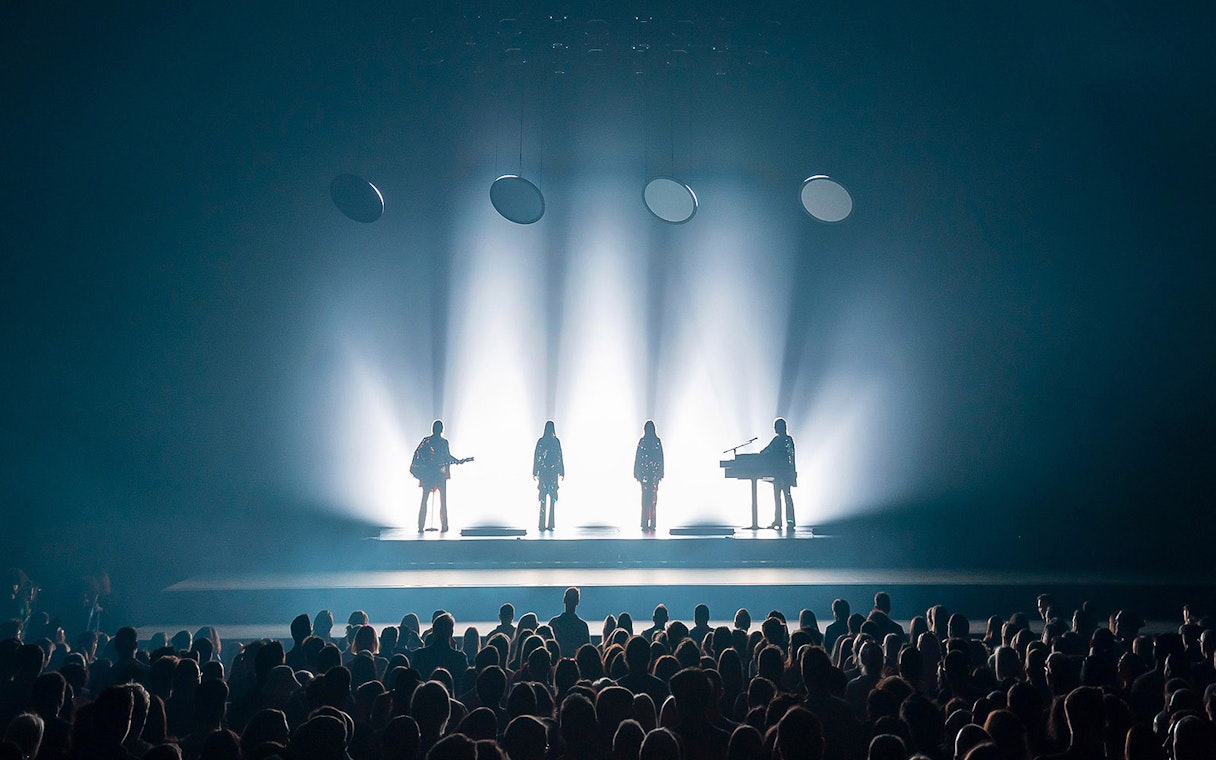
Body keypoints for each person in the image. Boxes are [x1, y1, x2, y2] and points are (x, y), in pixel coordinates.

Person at [411, 420, 467, 533]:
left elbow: (445, 457)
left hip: (429, 474)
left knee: (426, 500)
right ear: (441, 429)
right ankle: (443, 526)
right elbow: (447, 457)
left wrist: (457, 461)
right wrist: (457, 461)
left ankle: (421, 526)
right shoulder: (440, 442)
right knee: (441, 500)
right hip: (438, 474)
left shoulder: (427, 441)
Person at [760, 417, 796, 529]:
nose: (775, 429)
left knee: (786, 497)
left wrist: (792, 471)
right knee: (778, 497)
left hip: (784, 473)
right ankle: (778, 521)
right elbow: (766, 450)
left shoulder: (787, 440)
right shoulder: (776, 440)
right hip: (777, 473)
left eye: (776, 427)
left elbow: (791, 456)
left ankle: (790, 521)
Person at [532, 420, 565, 532]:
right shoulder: (555, 441)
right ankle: (550, 524)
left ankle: (542, 524)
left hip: (544, 472)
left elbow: (537, 457)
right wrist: (561, 471)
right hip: (552, 472)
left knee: (543, 497)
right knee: (551, 497)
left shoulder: (542, 441)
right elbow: (559, 456)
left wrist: (535, 471)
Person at [633, 420, 664, 532]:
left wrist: (637, 471)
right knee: (649, 499)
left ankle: (648, 523)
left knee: (650, 499)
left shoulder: (650, 442)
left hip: (650, 474)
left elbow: (660, 457)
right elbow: (639, 457)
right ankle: (647, 522)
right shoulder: (649, 441)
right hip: (648, 474)